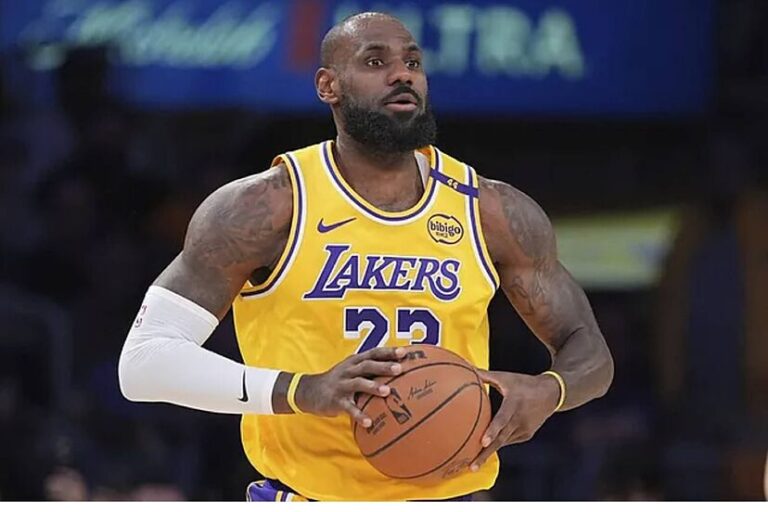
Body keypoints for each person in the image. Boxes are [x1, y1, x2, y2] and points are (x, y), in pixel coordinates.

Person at [118, 12, 613, 502]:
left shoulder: (490, 210)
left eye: (413, 62)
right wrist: (300, 390)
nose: (402, 74)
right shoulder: (265, 207)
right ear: (328, 86)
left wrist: (551, 390)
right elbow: (143, 363)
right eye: (375, 62)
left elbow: (589, 351)